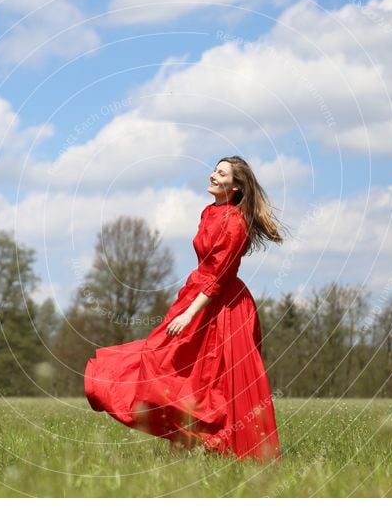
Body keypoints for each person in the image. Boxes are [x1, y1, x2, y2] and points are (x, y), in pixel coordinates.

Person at [83, 156, 284, 462]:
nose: (213, 176)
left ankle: (219, 443)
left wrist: (190, 313)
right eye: (215, 170)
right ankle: (182, 441)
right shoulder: (209, 212)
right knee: (165, 360)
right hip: (196, 294)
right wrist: (187, 305)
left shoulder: (235, 222)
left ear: (236, 186)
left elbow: (219, 276)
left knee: (211, 377)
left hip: (223, 305)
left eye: (222, 174)